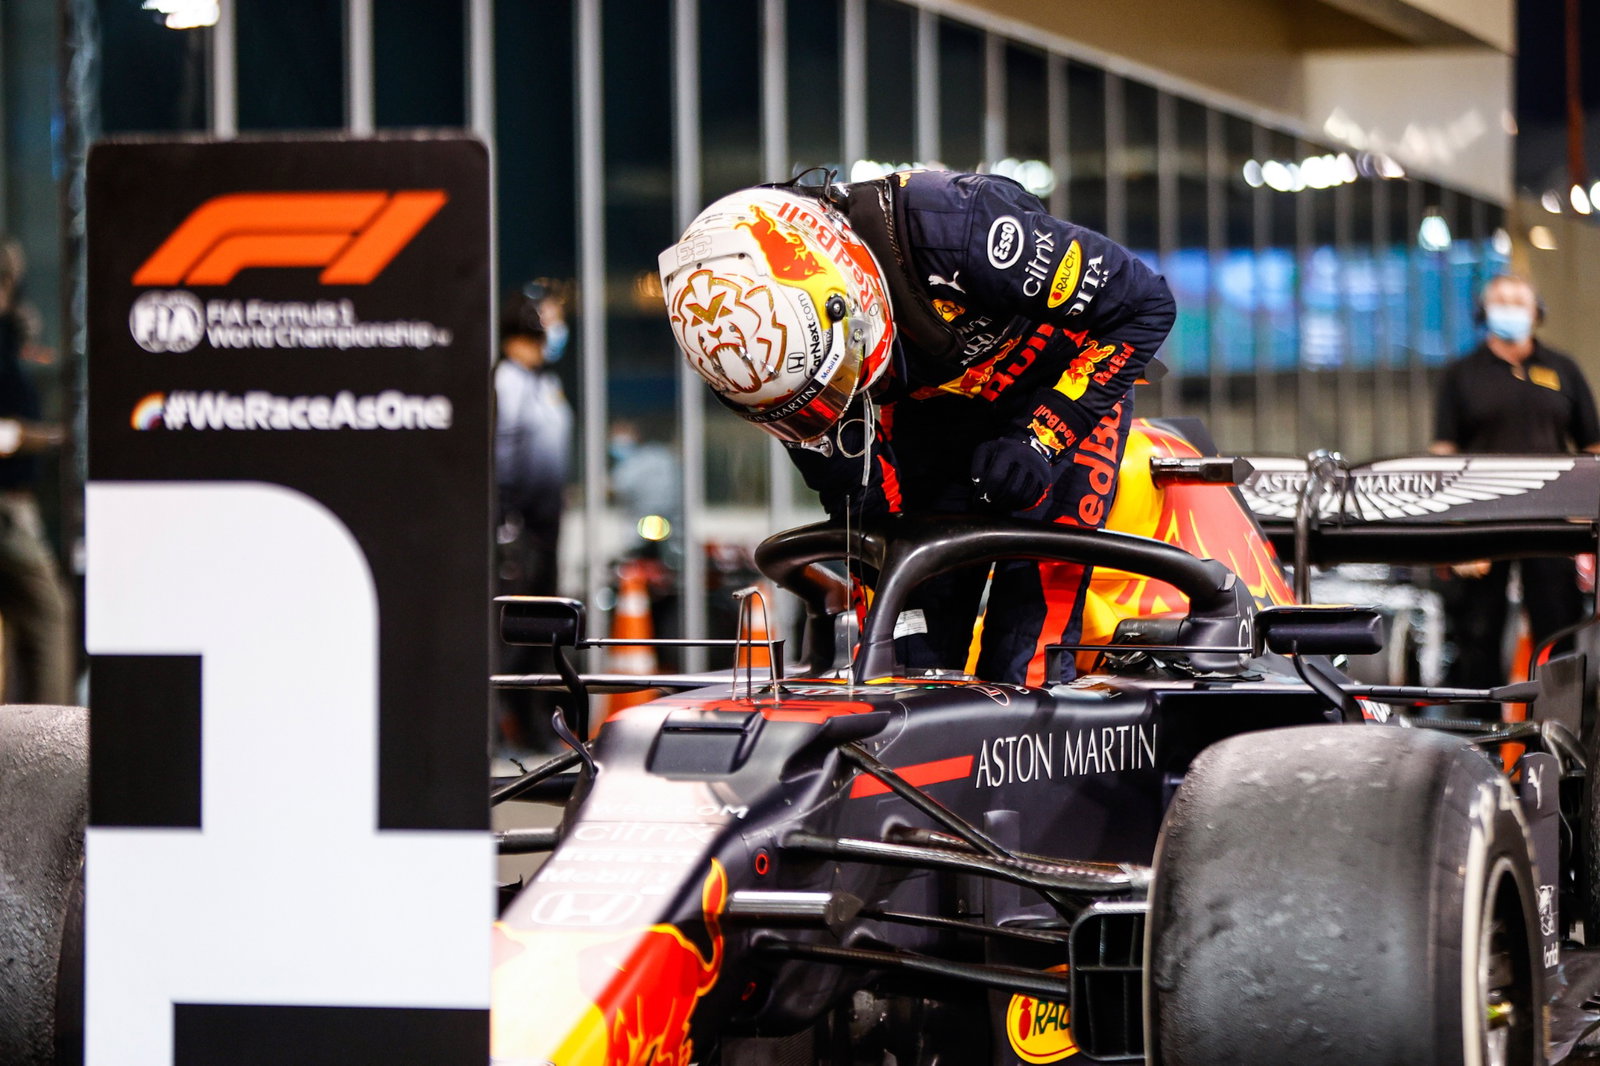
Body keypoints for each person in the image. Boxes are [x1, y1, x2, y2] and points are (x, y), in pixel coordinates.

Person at [658, 170, 1174, 684]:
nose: (824, 410)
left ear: (850, 293)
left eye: (836, 379)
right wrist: (887, 597)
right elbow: (854, 498)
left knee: (1028, 639)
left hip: (1060, 382)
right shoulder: (771, 370)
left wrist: (1042, 437)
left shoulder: (965, 232)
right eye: (803, 407)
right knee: (907, 655)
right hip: (931, 413)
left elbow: (1146, 305)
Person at [1430, 273, 1600, 689]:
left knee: (1558, 632)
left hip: (1551, 521)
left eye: (1518, 300)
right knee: (1478, 635)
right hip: (1483, 521)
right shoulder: (1460, 375)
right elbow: (1443, 454)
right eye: (1501, 300)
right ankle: (1475, 739)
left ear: (1535, 311)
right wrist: (1454, 530)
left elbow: (1593, 447)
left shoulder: (1563, 369)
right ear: (1484, 312)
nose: (1510, 307)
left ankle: (1557, 733)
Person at [0, 237, 71, 704]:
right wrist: (55, 438)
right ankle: (51, 745)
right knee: (50, 616)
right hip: (6, 511)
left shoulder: (8, 339)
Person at [494, 290, 572, 598]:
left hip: (546, 518)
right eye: (550, 323)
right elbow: (503, 448)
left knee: (546, 601)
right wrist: (505, 512)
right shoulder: (508, 381)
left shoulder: (544, 382)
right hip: (520, 520)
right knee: (522, 605)